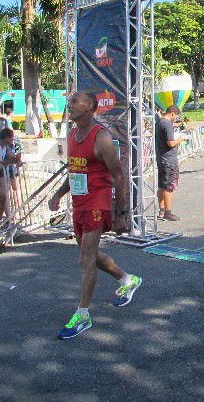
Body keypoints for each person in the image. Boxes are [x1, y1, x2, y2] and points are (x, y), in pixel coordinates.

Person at [48, 91, 142, 340]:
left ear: (89, 106)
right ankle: (127, 279)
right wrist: (58, 195)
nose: (69, 105)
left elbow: (119, 175)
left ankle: (82, 315)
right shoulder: (72, 135)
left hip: (97, 203)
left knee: (86, 259)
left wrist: (122, 213)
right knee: (89, 255)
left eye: (73, 102)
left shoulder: (101, 138)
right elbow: (74, 170)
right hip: (79, 203)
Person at [155, 105, 185, 221]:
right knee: (169, 186)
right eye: (175, 117)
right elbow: (171, 143)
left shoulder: (159, 122)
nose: (175, 119)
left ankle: (161, 210)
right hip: (169, 159)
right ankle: (168, 212)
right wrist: (180, 139)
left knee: (162, 185)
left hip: (161, 158)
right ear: (172, 113)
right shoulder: (167, 124)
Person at [0, 128, 21, 220]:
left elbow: (12, 156)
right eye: (11, 138)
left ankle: (5, 217)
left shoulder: (6, 146)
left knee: (3, 196)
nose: (12, 140)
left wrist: (17, 159)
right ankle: (3, 217)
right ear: (6, 138)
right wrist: (13, 160)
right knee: (2, 195)